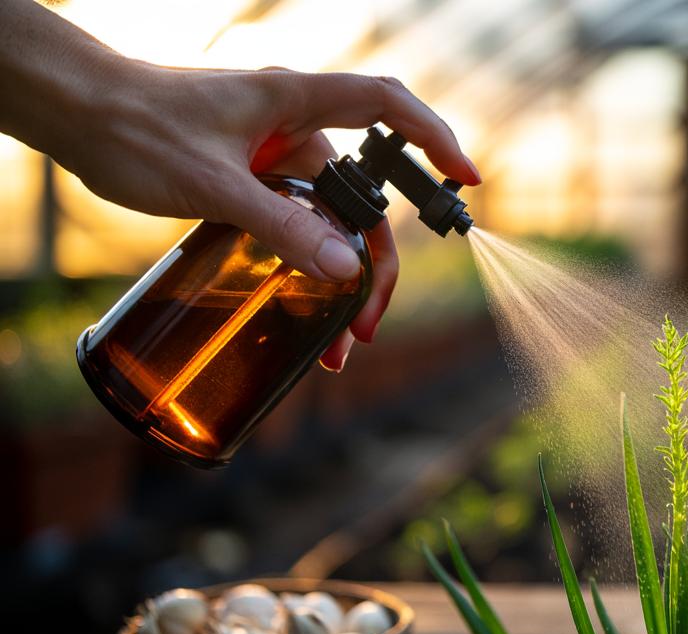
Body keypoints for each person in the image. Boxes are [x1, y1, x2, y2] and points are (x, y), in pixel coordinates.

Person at [0, 0, 480, 370]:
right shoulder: (290, 202)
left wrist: (102, 100)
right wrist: (105, 99)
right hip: (116, 360)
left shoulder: (298, 208)